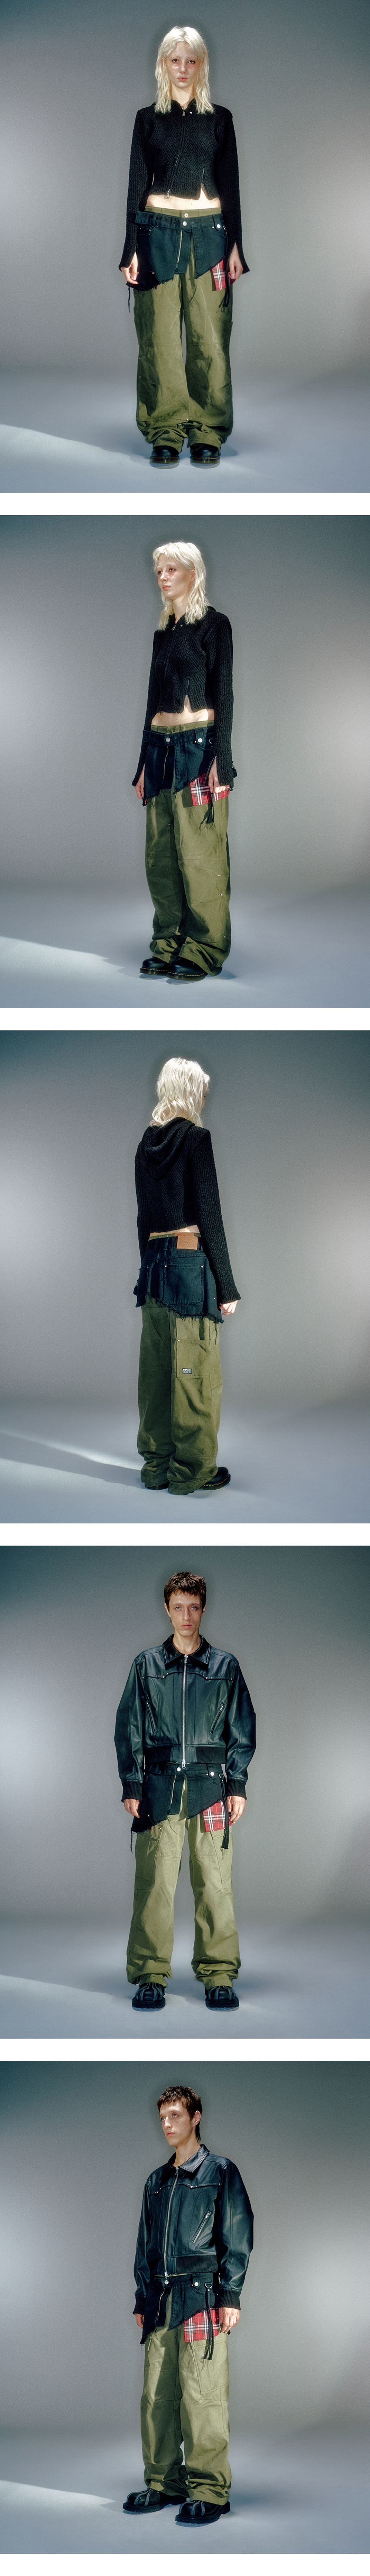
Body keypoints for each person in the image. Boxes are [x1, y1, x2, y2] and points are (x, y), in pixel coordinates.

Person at [115, 1567, 256, 2012]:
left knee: (215, 1884)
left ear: (204, 1609)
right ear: (167, 1609)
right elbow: (129, 1727)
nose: (186, 1616)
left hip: (210, 1787)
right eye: (178, 1607)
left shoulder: (225, 1667)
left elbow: (242, 1728)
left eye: (193, 1607)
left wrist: (237, 1783)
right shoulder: (147, 1665)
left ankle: (219, 1974)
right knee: (154, 1885)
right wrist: (132, 1782)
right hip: (159, 1788)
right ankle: (150, 1974)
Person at [123, 2083, 253, 2524]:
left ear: (196, 2117)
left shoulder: (220, 2171)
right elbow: (145, 2245)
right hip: (161, 2300)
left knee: (203, 2398)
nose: (167, 2124)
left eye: (175, 2115)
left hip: (202, 2297)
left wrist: (230, 2294)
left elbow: (237, 2232)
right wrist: (143, 2295)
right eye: (162, 2116)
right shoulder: (156, 2182)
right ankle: (164, 2483)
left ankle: (210, 2490)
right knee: (156, 2398)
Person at [120, 26, 248, 466]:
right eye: (175, 60)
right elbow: (137, 186)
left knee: (210, 339)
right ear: (163, 64)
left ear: (201, 65)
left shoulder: (219, 119)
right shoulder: (148, 119)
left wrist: (236, 245)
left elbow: (230, 185)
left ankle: (207, 431)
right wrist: (130, 249)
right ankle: (166, 430)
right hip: (157, 234)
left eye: (191, 61)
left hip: (211, 236)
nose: (183, 69)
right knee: (158, 340)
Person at [134, 1054, 239, 1492]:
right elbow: (209, 1215)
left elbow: (143, 1218)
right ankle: (191, 1471)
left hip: (154, 1267)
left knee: (157, 1376)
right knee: (196, 1372)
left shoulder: (146, 1144)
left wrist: (147, 1270)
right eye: (203, 1091)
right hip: (188, 1265)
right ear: (191, 1092)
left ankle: (156, 1467)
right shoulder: (197, 1139)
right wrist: (227, 1287)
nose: (205, 1099)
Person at [135, 541, 235, 983]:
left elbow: (224, 695)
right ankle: (168, 943)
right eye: (159, 570)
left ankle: (205, 947)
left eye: (171, 569)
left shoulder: (214, 626)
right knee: (161, 857)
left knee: (200, 854)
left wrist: (221, 760)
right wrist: (143, 762)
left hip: (198, 749)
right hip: (160, 750)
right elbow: (152, 701)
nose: (162, 576)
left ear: (193, 573)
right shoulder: (163, 634)